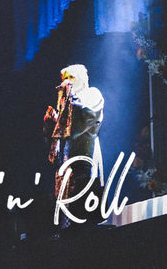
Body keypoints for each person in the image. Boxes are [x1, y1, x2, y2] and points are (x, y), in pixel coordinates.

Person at [43, 63, 104, 224]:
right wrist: (52, 123)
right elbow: (59, 135)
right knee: (66, 209)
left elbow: (81, 122)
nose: (66, 82)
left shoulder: (92, 94)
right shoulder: (67, 103)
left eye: (71, 78)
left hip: (84, 154)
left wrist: (69, 100)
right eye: (64, 79)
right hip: (66, 163)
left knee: (82, 204)